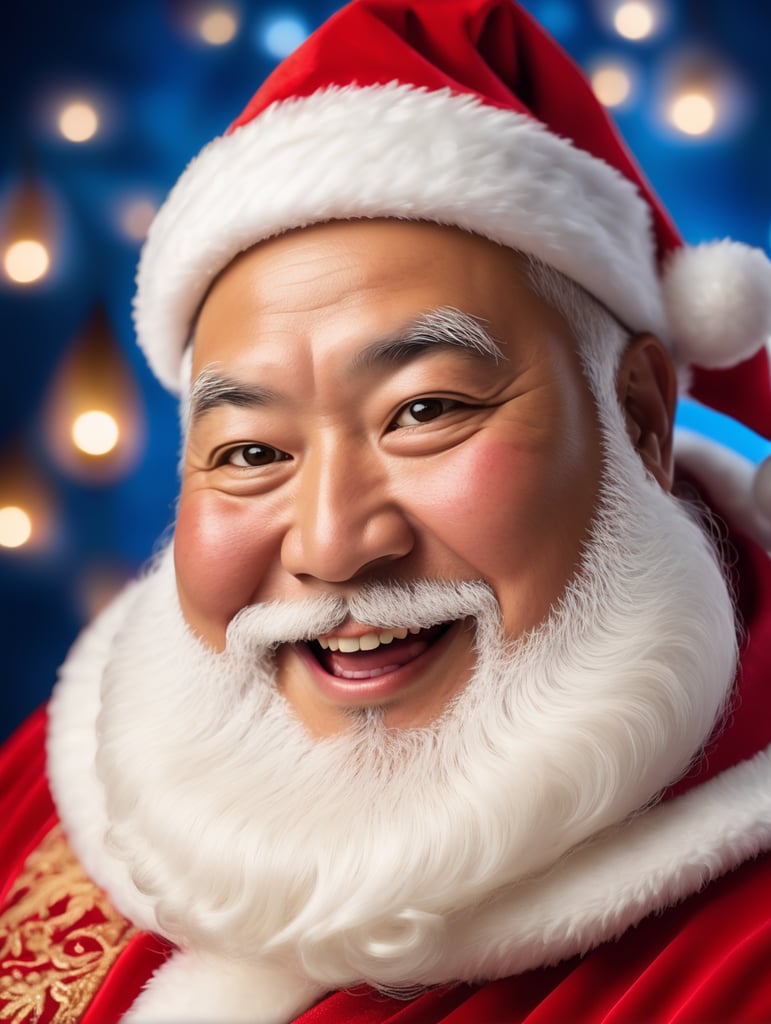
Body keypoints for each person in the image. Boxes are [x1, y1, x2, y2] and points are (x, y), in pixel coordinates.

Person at [2, 0, 771, 1021]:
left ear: (636, 418)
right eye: (252, 452)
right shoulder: (70, 759)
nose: (330, 545)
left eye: (424, 411)